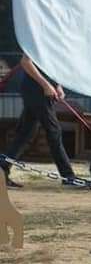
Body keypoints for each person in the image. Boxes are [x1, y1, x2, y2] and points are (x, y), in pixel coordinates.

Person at [1, 54, 78, 188]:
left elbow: (51, 64)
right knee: (54, 132)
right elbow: (26, 62)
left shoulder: (52, 39)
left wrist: (57, 85)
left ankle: (2, 171)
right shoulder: (37, 35)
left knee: (25, 133)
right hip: (36, 90)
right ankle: (68, 176)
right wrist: (46, 85)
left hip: (40, 90)